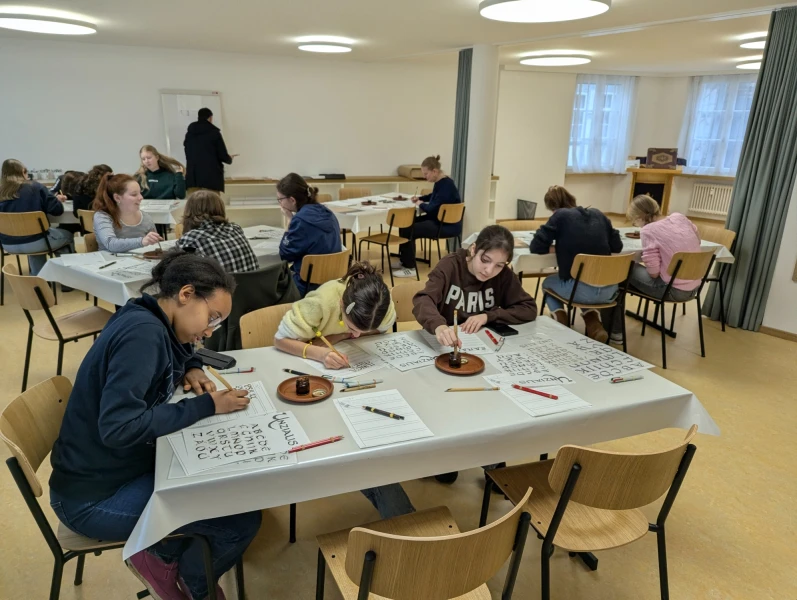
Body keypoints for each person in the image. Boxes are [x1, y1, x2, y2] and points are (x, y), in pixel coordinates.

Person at [49, 249, 260, 600]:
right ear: (186, 294)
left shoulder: (147, 313)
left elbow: (174, 346)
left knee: (229, 487)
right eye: (212, 317)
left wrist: (192, 364)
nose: (210, 331)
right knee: (240, 519)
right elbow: (119, 427)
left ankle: (168, 557)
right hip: (92, 498)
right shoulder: (142, 335)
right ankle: (181, 575)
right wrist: (208, 405)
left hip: (117, 469)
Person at [273, 261, 415, 519]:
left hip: (360, 379)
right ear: (341, 305)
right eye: (351, 327)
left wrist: (345, 335)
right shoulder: (321, 302)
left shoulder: (380, 305)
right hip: (315, 377)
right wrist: (320, 353)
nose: (357, 335)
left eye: (363, 331)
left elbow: (381, 332)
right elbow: (280, 340)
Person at [413, 224, 537, 485]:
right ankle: (447, 454)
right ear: (473, 250)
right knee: (447, 399)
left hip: (484, 352)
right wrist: (439, 326)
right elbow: (422, 300)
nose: (489, 270)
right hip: (446, 352)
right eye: (485, 260)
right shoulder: (450, 266)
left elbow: (528, 307)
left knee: (492, 398)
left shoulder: (503, 276)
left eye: (499, 265)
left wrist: (489, 316)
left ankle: (492, 460)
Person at [529, 185, 622, 343]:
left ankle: (561, 320)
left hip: (580, 291)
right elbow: (617, 246)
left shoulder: (560, 216)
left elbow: (536, 246)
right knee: (585, 281)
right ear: (571, 199)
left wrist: (558, 247)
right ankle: (594, 325)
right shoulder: (599, 214)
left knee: (547, 283)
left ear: (552, 208)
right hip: (610, 291)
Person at [605, 195, 703, 343]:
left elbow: (654, 272)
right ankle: (615, 329)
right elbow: (698, 240)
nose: (636, 225)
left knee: (620, 269)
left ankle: (616, 331)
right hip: (694, 287)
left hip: (670, 289)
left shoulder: (648, 230)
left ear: (639, 217)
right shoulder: (679, 217)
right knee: (626, 274)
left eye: (634, 221)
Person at [0, 158, 74, 275]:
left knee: (34, 235)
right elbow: (57, 210)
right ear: (23, 172)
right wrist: (55, 200)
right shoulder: (35, 187)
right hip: (36, 242)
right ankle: (68, 277)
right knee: (66, 236)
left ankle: (38, 277)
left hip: (7, 244)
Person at [393, 155, 462, 279]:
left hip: (446, 225)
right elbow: (433, 196)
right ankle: (404, 261)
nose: (425, 177)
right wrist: (421, 198)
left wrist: (420, 203)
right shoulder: (442, 182)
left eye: (426, 174)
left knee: (409, 228)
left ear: (434, 171)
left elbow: (431, 209)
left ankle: (410, 268)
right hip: (439, 220)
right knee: (405, 223)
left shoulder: (446, 186)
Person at [276, 173, 342, 296]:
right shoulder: (327, 212)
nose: (280, 203)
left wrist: (289, 221)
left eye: (280, 199)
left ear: (292, 200)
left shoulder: (300, 220)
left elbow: (285, 255)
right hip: (332, 282)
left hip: (307, 286)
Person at [176, 190, 259, 273]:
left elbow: (176, 267)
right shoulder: (236, 228)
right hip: (252, 281)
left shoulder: (192, 238)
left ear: (189, 211)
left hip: (224, 281)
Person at [92, 173, 162, 253]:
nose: (141, 197)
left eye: (140, 193)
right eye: (134, 194)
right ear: (117, 198)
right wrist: (142, 241)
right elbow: (111, 244)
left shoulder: (145, 217)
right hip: (110, 259)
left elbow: (154, 246)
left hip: (139, 259)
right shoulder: (102, 216)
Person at [184, 108, 236, 193]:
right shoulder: (214, 133)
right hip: (212, 179)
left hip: (193, 178)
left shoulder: (189, 134)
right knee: (212, 201)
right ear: (210, 118)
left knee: (194, 200)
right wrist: (229, 158)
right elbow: (222, 155)